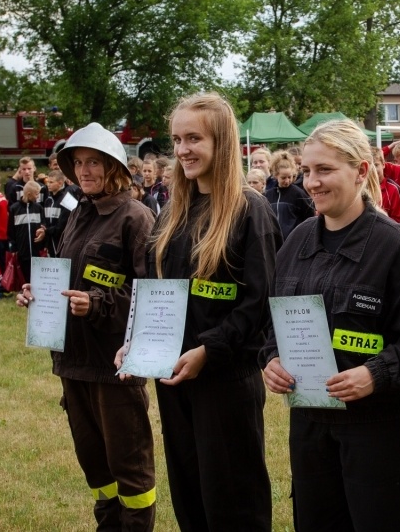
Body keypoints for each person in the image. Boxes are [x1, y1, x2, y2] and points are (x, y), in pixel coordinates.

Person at [261, 119, 400, 532]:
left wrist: (375, 374)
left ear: (362, 171)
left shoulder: (395, 247)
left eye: (325, 170)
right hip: (309, 427)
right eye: (307, 171)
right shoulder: (296, 243)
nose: (312, 182)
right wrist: (271, 358)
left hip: (376, 431)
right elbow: (275, 323)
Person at [117, 93, 280, 531]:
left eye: (194, 138)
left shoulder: (250, 211)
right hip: (175, 379)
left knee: (232, 502)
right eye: (177, 139)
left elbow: (259, 303)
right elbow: (156, 292)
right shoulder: (172, 212)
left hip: (224, 382)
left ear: (222, 142)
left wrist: (210, 349)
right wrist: (138, 342)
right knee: (190, 498)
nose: (183, 149)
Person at [16, 122, 157, 530]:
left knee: (130, 473)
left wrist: (96, 304)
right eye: (78, 163)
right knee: (96, 470)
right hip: (72, 363)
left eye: (94, 162)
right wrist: (37, 291)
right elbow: (69, 278)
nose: (84, 171)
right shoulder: (79, 214)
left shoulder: (137, 218)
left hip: (114, 369)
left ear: (114, 167)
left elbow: (153, 295)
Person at [264, 150, 314, 240]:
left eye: (289, 177)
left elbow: (310, 217)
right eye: (283, 178)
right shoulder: (268, 195)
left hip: (293, 241)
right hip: (274, 241)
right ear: (275, 175)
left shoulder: (299, 194)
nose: (287, 181)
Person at [8, 180, 46, 282]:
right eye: (37, 194)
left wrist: (43, 230)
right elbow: (11, 230)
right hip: (22, 248)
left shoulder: (38, 208)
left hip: (36, 248)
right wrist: (13, 247)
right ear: (29, 194)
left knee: (37, 271)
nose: (38, 197)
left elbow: (43, 224)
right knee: (24, 270)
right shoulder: (14, 209)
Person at [43, 170, 75, 258]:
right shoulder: (48, 200)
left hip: (63, 243)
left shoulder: (68, 200)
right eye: (47, 182)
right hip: (50, 243)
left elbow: (62, 227)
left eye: (51, 182)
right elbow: (45, 222)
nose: (48, 185)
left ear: (60, 183)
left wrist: (46, 231)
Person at [372, 147, 400, 224]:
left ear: (383, 164)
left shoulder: (393, 189)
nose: (373, 170)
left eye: (376, 165)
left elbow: (399, 219)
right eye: (370, 166)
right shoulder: (360, 188)